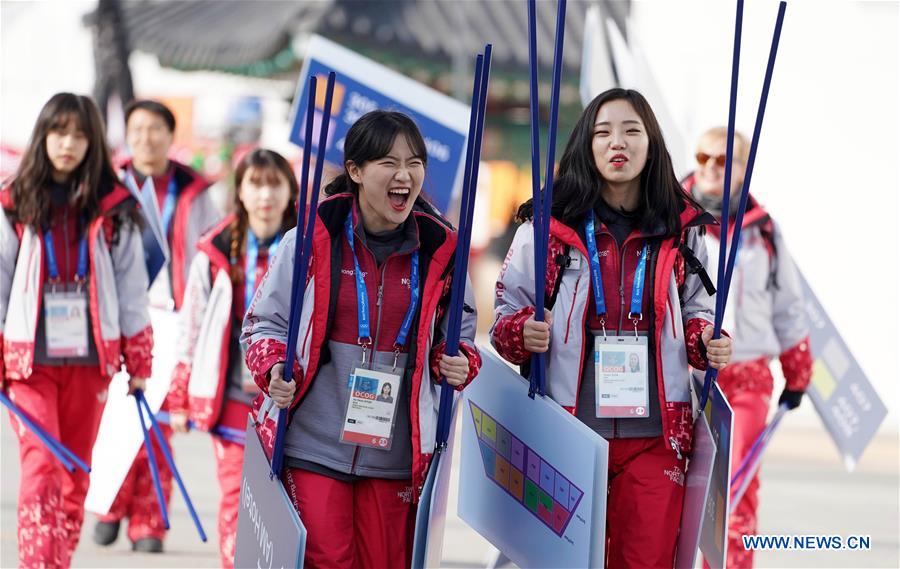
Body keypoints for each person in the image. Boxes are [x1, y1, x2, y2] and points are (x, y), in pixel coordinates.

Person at [491, 88, 733, 568]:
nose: (616, 142)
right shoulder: (547, 228)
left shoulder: (683, 231)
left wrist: (706, 340)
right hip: (565, 430)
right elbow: (504, 316)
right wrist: (523, 332)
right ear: (586, 143)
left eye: (631, 131)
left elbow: (698, 310)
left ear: (652, 144)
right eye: (603, 132)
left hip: (657, 437)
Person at [241, 110, 482, 569]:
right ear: (354, 170)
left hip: (396, 457)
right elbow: (261, 325)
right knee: (328, 561)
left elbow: (462, 340)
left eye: (415, 163)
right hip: (313, 445)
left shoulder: (443, 253)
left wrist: (457, 362)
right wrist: (274, 367)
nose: (405, 175)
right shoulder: (310, 240)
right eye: (388, 163)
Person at [0, 92, 153, 568]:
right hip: (29, 363)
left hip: (92, 363)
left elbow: (131, 289)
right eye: (59, 131)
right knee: (41, 467)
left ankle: (54, 560)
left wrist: (140, 361)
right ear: (42, 135)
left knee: (74, 473)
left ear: (94, 143)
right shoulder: (12, 202)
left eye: (80, 134)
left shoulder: (115, 208)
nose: (67, 143)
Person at [94, 99, 222, 553]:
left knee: (159, 425)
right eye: (137, 129)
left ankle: (149, 521)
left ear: (171, 136)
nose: (146, 138)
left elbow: (210, 251)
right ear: (126, 135)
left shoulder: (194, 189)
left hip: (174, 316)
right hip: (119, 315)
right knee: (115, 417)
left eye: (155, 129)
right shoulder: (106, 181)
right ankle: (109, 503)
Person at [684, 127, 812, 568]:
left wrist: (799, 373)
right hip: (684, 375)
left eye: (723, 160)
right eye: (703, 158)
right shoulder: (670, 217)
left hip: (745, 377)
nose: (710, 168)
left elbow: (789, 307)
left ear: (743, 168)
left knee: (735, 494)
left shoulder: (763, 232)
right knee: (675, 490)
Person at [165, 148, 298, 568]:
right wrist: (181, 394)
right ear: (239, 191)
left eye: (274, 183)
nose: (265, 195)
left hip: (293, 399)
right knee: (235, 496)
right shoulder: (215, 252)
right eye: (255, 183)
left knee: (289, 502)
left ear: (290, 191)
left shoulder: (309, 246)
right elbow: (192, 326)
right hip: (234, 399)